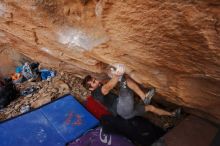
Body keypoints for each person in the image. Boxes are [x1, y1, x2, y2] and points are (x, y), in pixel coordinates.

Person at [82, 64, 180, 120]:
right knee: (123, 78)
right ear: (90, 88)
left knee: (150, 108)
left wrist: (114, 76)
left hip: (127, 114)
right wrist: (117, 75)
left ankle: (173, 114)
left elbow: (108, 86)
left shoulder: (99, 88)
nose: (97, 81)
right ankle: (144, 97)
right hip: (121, 108)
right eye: (94, 82)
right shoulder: (95, 94)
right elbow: (107, 88)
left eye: (95, 79)